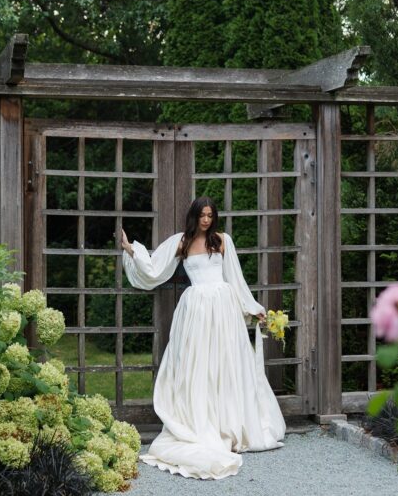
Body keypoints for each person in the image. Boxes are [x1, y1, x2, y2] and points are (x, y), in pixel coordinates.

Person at [120, 196, 286, 480]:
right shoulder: (181, 242)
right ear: (194, 216)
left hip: (223, 307)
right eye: (202, 215)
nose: (207, 220)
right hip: (195, 308)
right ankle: (199, 419)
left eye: (210, 215)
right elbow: (155, 268)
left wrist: (253, 308)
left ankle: (229, 422)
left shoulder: (222, 241)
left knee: (225, 364)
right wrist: (131, 250)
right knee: (197, 365)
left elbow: (235, 278)